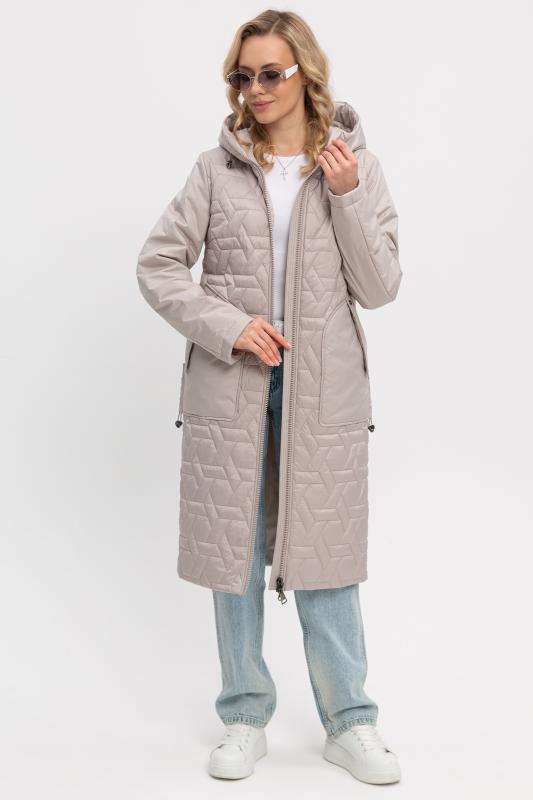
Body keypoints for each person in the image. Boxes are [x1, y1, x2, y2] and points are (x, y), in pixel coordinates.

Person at [136, 9, 402, 785]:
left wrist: (348, 196)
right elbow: (157, 265)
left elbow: (380, 287)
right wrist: (230, 328)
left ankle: (349, 723)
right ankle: (244, 716)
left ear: (304, 73)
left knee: (327, 556)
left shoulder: (354, 166)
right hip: (233, 386)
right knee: (236, 556)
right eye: (241, 75)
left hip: (325, 391)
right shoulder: (213, 170)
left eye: (269, 73)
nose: (253, 88)